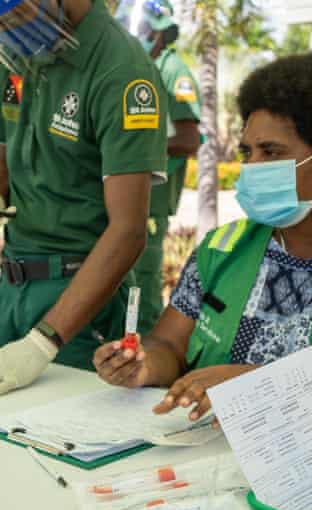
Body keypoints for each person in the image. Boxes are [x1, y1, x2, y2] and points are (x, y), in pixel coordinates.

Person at [94, 53, 312, 435]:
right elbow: (169, 345)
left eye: (271, 152)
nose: (251, 167)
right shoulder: (222, 248)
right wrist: (143, 365)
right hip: (224, 459)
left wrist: (248, 383)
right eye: (246, 152)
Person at [0, 0, 169, 397]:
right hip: (14, 285)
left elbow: (128, 230)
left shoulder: (121, 69)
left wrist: (44, 340)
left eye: (14, 16)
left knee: (65, 440)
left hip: (79, 302)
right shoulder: (22, 49)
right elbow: (10, 146)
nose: (6, 30)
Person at [127, 0, 201, 335]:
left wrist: (131, 152)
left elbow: (189, 139)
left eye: (144, 30)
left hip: (153, 201)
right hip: (130, 196)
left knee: (142, 290)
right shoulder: (134, 67)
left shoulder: (173, 71)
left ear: (159, 33)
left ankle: (149, 362)